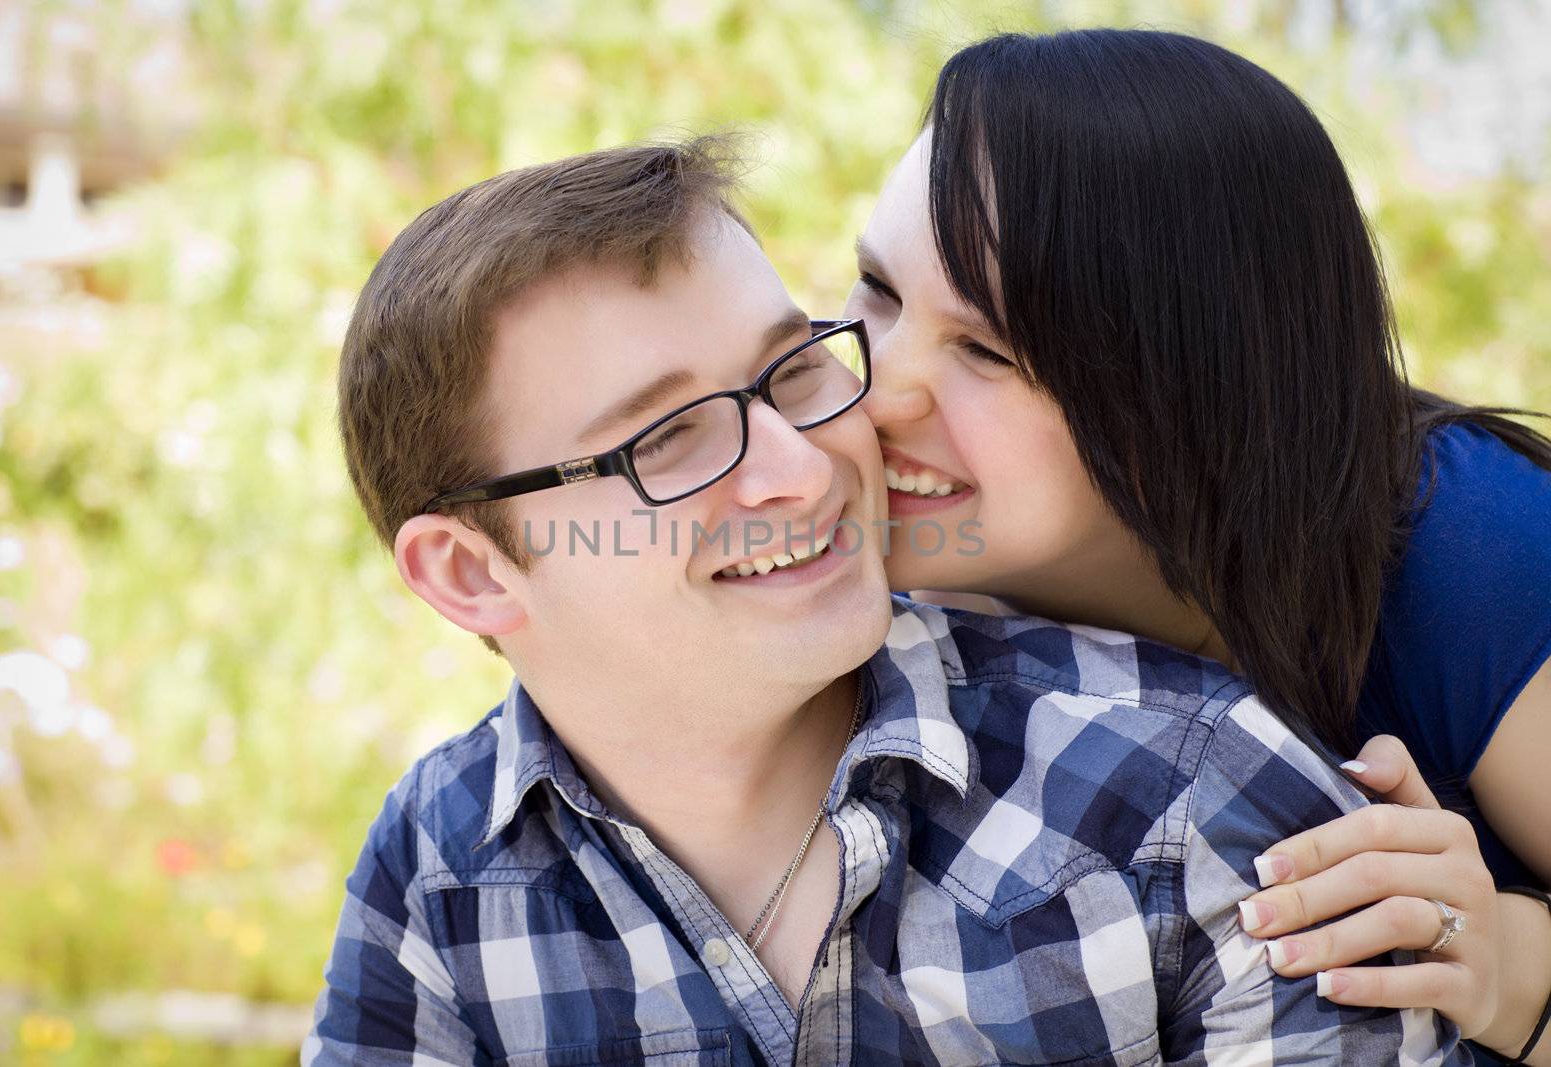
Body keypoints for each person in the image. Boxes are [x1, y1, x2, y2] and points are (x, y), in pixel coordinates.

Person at [302, 137, 1466, 1065]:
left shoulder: (1192, 796)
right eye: (670, 439)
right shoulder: (437, 872)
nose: (804, 470)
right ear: (470, 571)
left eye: (793, 371)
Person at [845, 27, 1551, 1065]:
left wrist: (1505, 966)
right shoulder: (855, 579)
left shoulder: (1466, 551)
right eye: (878, 289)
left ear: (1183, 388)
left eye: (985, 348)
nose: (876, 385)